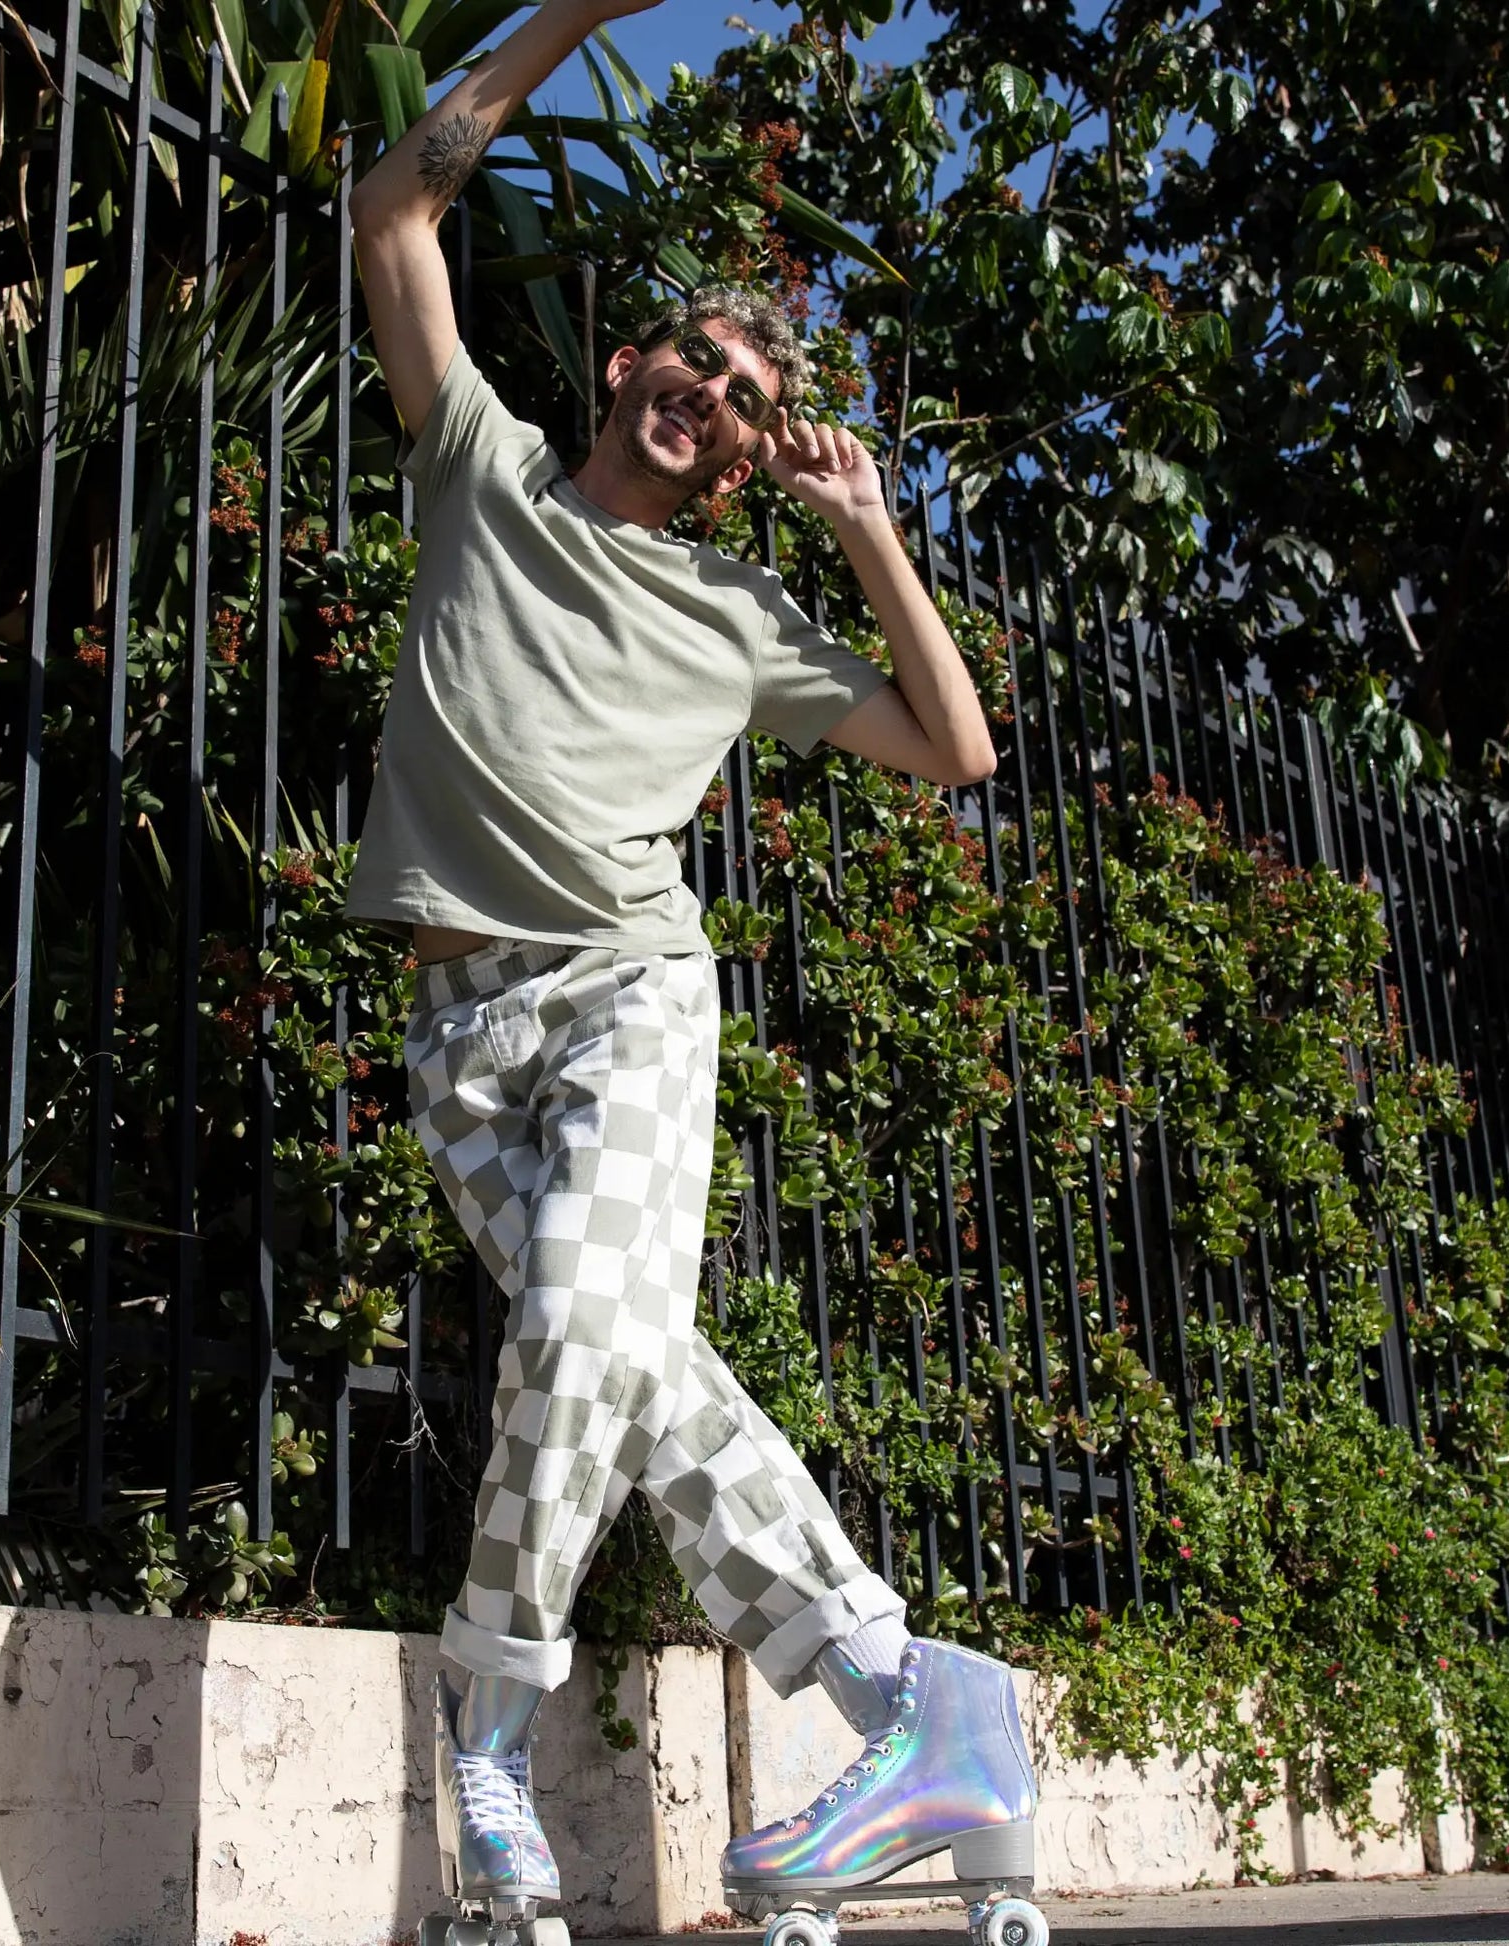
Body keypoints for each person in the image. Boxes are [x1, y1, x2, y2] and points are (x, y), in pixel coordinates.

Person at [342, 0, 1039, 1933]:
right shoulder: (477, 463)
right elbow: (397, 215)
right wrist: (573, 13)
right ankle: (917, 1697)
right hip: (459, 1031)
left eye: (742, 398)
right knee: (634, 1373)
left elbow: (952, 749)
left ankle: (482, 1735)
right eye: (689, 359)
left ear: (743, 458)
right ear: (626, 359)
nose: (705, 397)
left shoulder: (737, 609)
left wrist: (870, 533)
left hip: (631, 992)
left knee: (577, 1323)